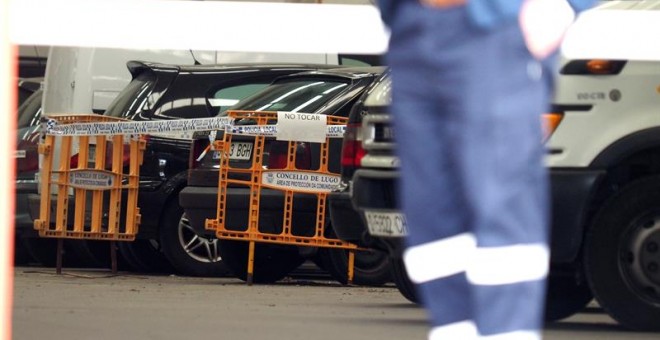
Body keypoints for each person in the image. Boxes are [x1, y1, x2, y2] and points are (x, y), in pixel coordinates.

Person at [378, 0, 594, 339]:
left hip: (493, 28)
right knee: (432, 215)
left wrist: (564, 5)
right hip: (411, 25)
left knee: (500, 211)